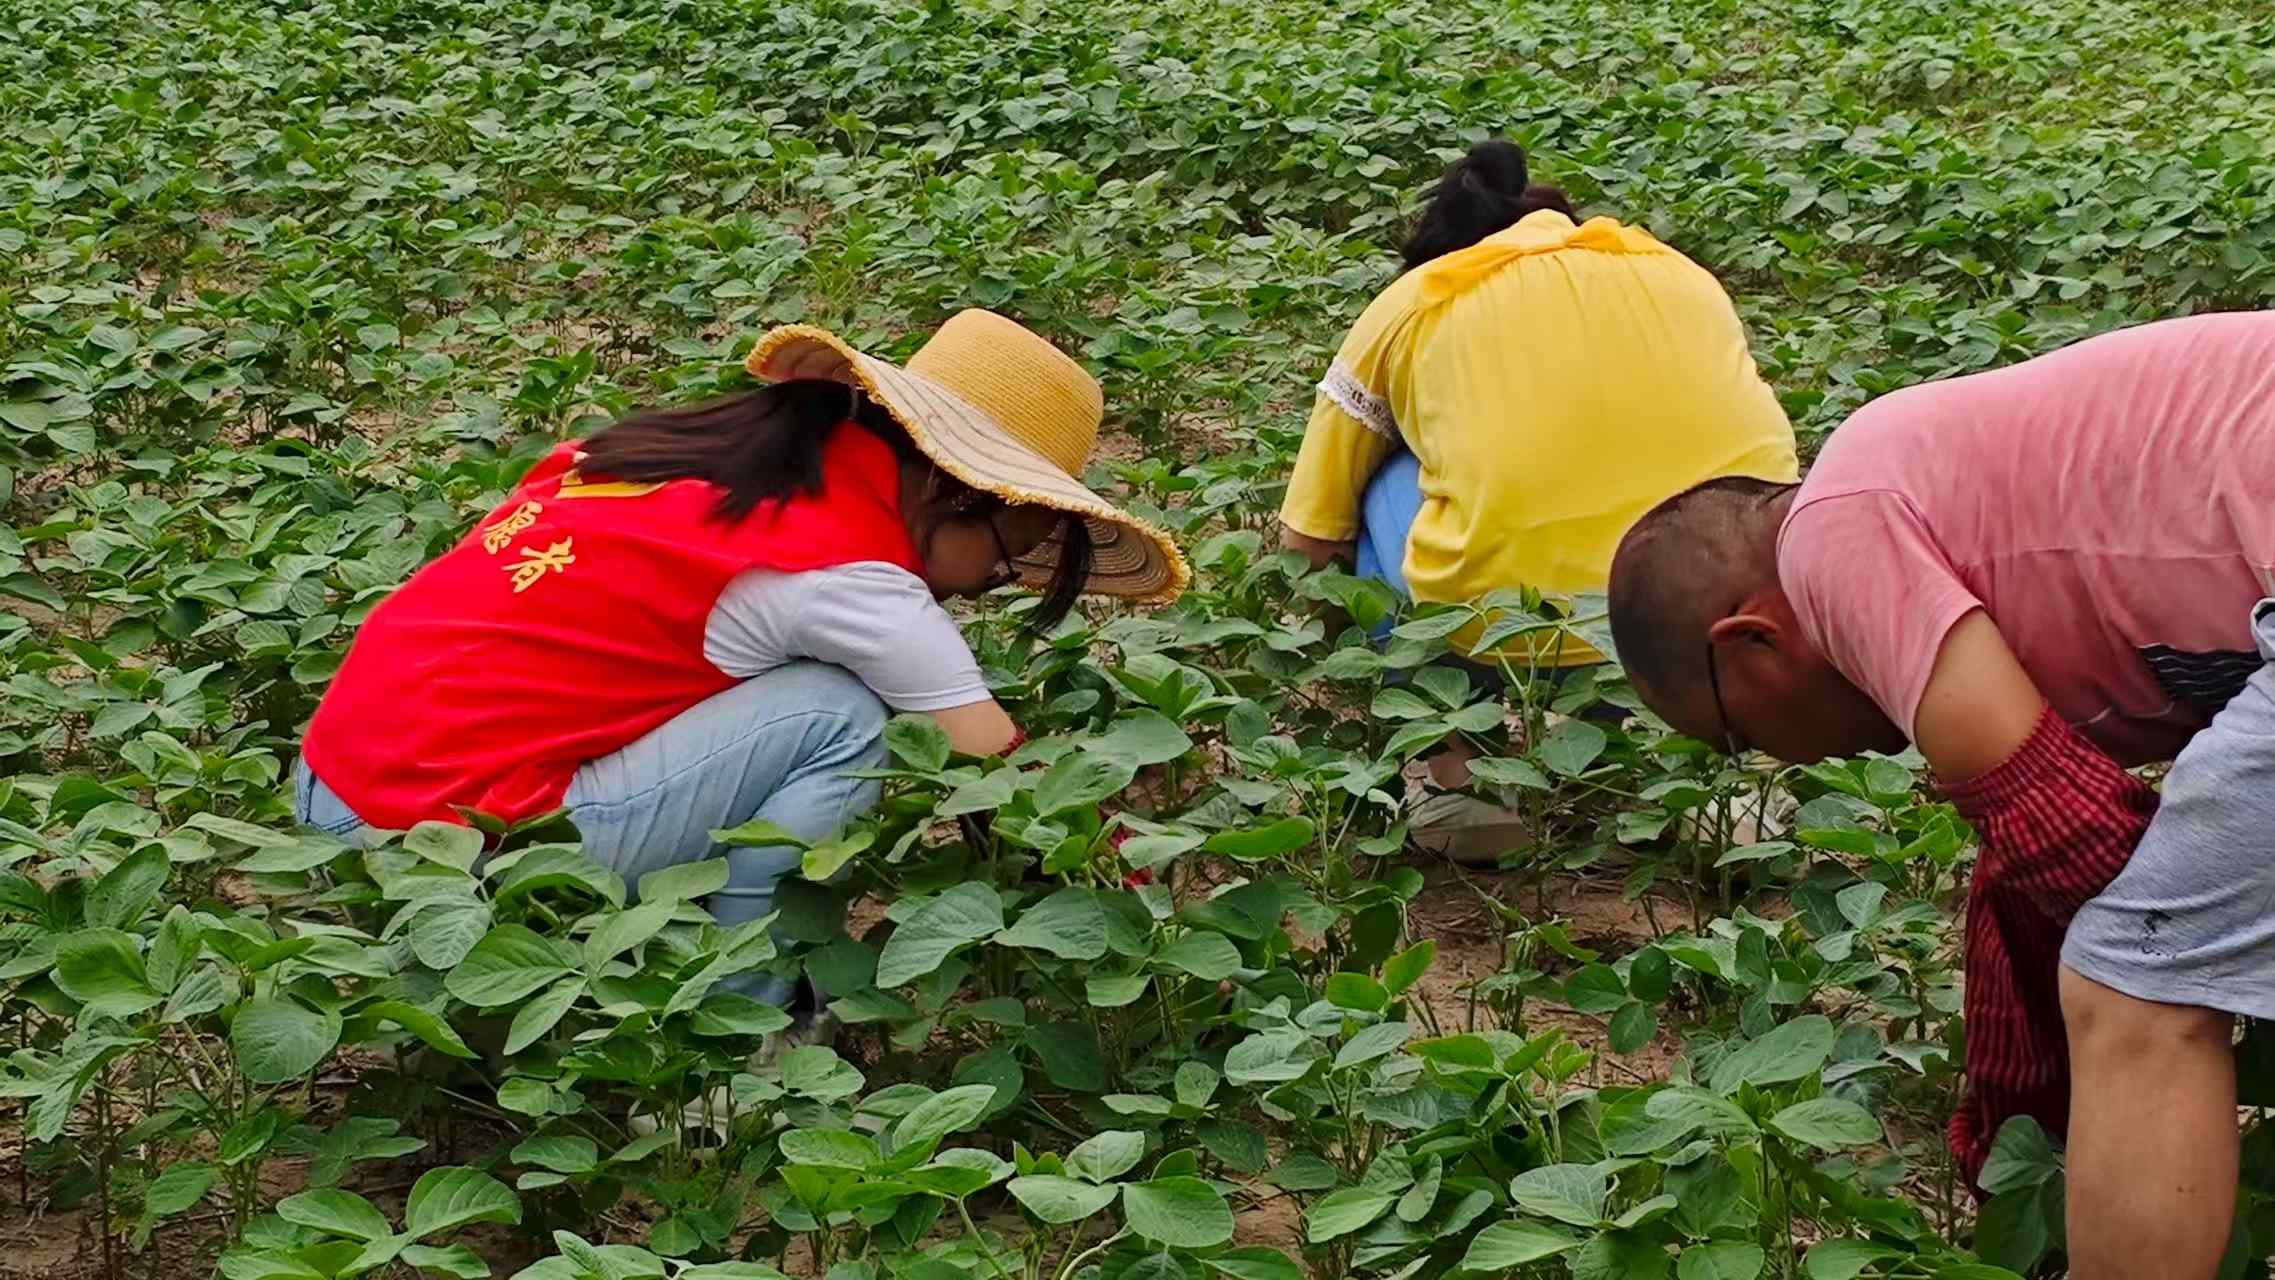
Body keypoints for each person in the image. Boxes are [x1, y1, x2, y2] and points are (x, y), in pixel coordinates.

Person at [1605, 311, 2275, 1279]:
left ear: (1750, 639)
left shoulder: (1831, 534)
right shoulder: (1934, 491)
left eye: (1740, 737)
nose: (1779, 764)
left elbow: (2067, 830)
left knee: (2135, 981)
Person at [296, 309, 1188, 1007]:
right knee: (842, 715)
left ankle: (631, 950)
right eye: (1009, 547)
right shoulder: (849, 575)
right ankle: (752, 1019)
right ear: (955, 487)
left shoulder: (684, 455)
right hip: (434, 845)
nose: (994, 578)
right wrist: (1155, 915)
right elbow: (1003, 773)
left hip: (331, 792)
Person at [1278, 138, 1799, 863]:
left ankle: (1456, 771)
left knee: (1384, 471)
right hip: (1715, 624)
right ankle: (1721, 789)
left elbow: (1311, 535)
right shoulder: (1679, 275)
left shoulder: (1420, 297)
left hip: (1494, 631)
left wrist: (1354, 665)